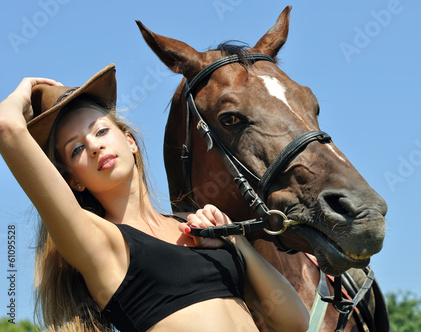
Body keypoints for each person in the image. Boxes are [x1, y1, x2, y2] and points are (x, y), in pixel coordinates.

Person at [0, 64, 309, 332]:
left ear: (130, 141)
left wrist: (235, 242)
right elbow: (6, 128)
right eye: (76, 149)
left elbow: (295, 322)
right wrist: (23, 92)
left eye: (100, 131)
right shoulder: (97, 241)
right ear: (74, 181)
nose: (94, 146)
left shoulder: (195, 226)